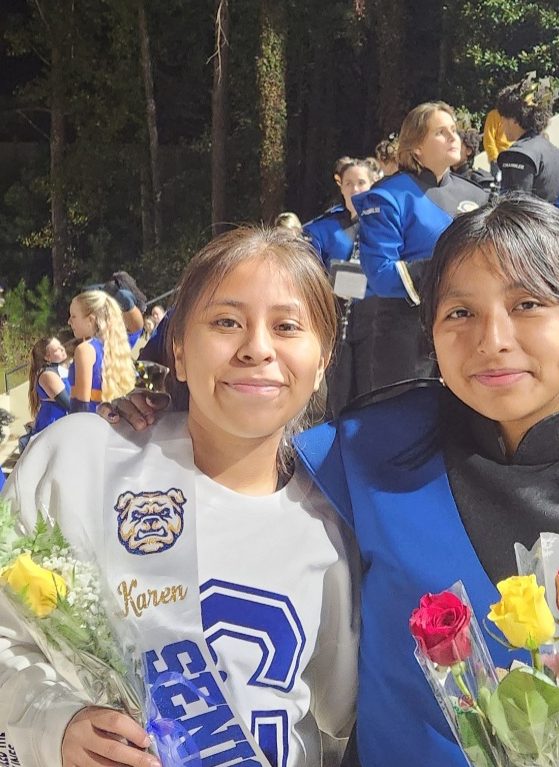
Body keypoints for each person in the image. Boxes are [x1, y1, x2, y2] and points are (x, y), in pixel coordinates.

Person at [294, 197, 559, 767]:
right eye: (460, 313)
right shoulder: (370, 451)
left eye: (527, 304)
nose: (493, 339)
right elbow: (236, 489)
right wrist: (157, 429)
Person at [0, 227, 358, 767]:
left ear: (323, 359)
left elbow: (337, 722)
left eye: (287, 326)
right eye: (226, 322)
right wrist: (57, 724)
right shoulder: (80, 462)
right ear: (181, 352)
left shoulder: (337, 519)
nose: (257, 347)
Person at [353, 101, 490, 388]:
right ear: (415, 147)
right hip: (408, 340)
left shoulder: (477, 197)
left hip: (470, 334)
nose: (454, 137)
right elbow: (380, 274)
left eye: (454, 130)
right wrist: (450, 269)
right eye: (441, 132)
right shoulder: (388, 197)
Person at [303, 158, 380, 415]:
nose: (356, 189)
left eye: (362, 183)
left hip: (376, 323)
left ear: (373, 184)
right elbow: (308, 274)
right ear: (341, 188)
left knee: (371, 394)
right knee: (338, 397)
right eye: (349, 184)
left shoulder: (386, 225)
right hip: (337, 322)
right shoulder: (323, 228)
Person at [495, 77, 559, 212]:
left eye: (503, 119)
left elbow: (512, 211)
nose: (501, 125)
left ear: (514, 119)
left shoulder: (518, 154)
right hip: (556, 228)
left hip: (528, 230)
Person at [67, 289, 136, 413]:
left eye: (73, 316)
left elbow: (81, 405)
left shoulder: (85, 350)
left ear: (91, 320)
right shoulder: (115, 347)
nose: (69, 322)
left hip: (91, 421)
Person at [27, 336, 70, 436]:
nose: (62, 349)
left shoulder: (56, 370)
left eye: (61, 346)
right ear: (47, 357)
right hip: (52, 425)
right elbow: (68, 404)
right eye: (57, 349)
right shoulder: (48, 375)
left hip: (59, 422)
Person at [482, 107, 512, 180]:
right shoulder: (494, 115)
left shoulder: (517, 115)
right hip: (499, 159)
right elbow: (488, 139)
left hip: (515, 157)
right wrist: (494, 158)